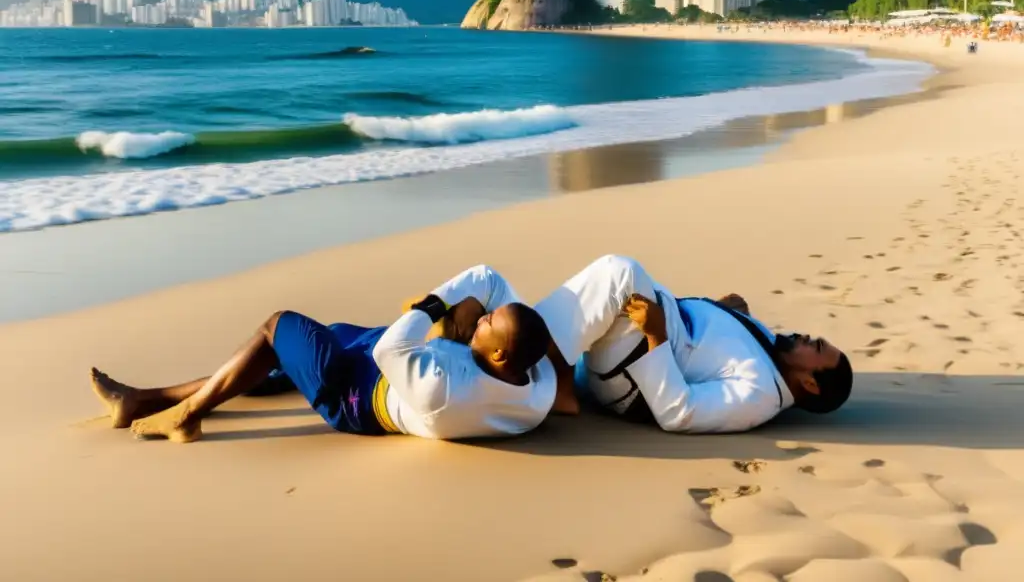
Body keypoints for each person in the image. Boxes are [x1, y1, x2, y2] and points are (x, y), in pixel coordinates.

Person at [90, 265, 569, 443]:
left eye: (488, 324)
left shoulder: (442, 389)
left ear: (501, 356)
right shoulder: (536, 388)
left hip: (357, 394)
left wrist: (433, 306)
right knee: (284, 357)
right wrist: (471, 324)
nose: (483, 319)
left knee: (277, 327)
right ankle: (142, 399)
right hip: (386, 366)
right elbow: (489, 280)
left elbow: (391, 347)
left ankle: (187, 415)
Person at [534, 255, 853, 433]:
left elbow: (679, 413)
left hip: (631, 373)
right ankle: (520, 336)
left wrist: (655, 336)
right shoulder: (774, 353)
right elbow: (711, 349)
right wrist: (723, 312)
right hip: (646, 331)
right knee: (619, 281)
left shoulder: (757, 395)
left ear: (810, 383)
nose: (808, 338)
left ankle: (551, 371)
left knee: (622, 273)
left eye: (817, 348)